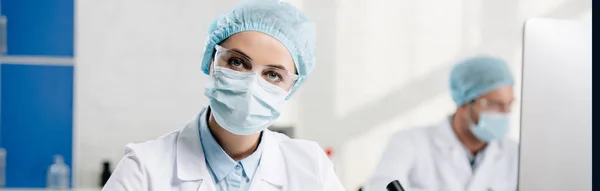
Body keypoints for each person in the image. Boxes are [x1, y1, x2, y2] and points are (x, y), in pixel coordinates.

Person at [102, 1, 345, 190]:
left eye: (272, 75)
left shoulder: (311, 166)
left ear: (291, 87)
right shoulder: (144, 170)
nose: (252, 84)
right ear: (211, 62)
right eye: (238, 62)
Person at [364, 56, 519, 191]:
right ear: (464, 104)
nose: (505, 113)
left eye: (509, 104)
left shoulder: (516, 154)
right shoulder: (409, 142)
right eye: (493, 105)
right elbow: (378, 187)